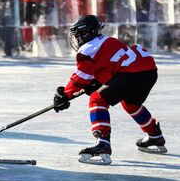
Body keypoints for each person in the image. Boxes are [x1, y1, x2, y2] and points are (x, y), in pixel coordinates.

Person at [53, 15, 167, 165]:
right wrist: (97, 82)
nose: (76, 39)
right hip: (148, 71)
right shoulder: (108, 41)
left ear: (86, 33)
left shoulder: (89, 48)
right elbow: (113, 66)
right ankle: (154, 136)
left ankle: (103, 143)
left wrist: (65, 95)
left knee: (97, 99)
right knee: (131, 104)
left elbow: (80, 78)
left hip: (132, 73)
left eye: (78, 34)